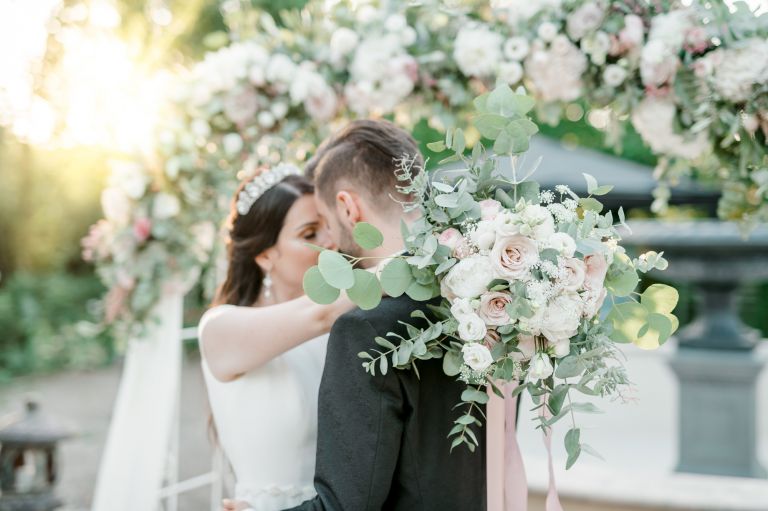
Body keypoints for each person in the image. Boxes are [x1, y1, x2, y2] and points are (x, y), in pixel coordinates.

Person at [285, 119, 487, 511]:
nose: (328, 241)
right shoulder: (490, 299)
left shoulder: (365, 329)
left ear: (347, 207)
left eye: (326, 223)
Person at [198, 165, 356, 511]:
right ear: (265, 254)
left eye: (328, 226)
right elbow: (318, 314)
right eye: (310, 233)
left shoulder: (343, 325)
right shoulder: (220, 328)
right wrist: (413, 263)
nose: (329, 241)